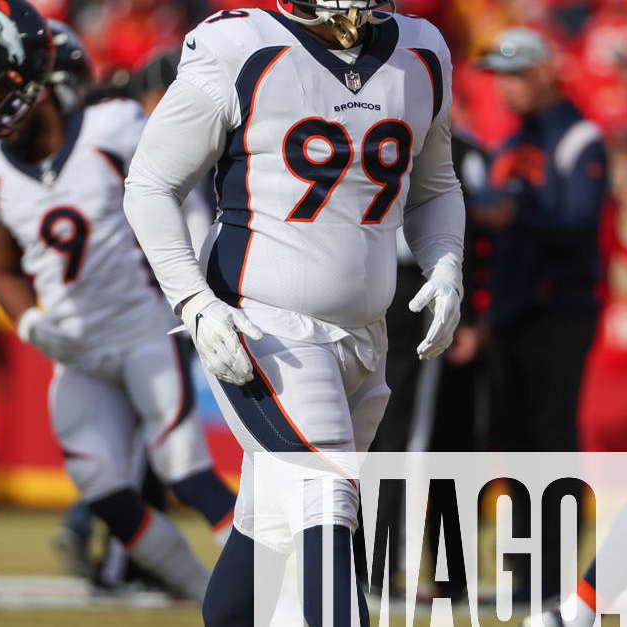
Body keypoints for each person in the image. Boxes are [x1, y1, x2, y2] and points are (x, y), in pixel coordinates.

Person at [124, 1, 466, 625]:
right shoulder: (238, 44)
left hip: (366, 332)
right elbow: (150, 183)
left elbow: (435, 186)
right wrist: (194, 302)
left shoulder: (422, 50)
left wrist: (446, 265)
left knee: (269, 531)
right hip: (265, 322)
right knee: (329, 500)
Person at [0, 1, 234, 602]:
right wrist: (32, 325)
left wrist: (197, 274)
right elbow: (4, 268)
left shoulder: (113, 125)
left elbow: (182, 193)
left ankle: (289, 581)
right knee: (105, 494)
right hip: (76, 351)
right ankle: (207, 596)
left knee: (188, 473)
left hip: (144, 330)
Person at [475, 27, 608, 601]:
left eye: (515, 75)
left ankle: (552, 576)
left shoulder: (579, 138)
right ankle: (526, 572)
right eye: (499, 77)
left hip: (559, 313)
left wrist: (513, 217)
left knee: (552, 440)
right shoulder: (508, 144)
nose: (505, 89)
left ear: (544, 72)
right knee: (515, 441)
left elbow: (579, 221)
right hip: (510, 316)